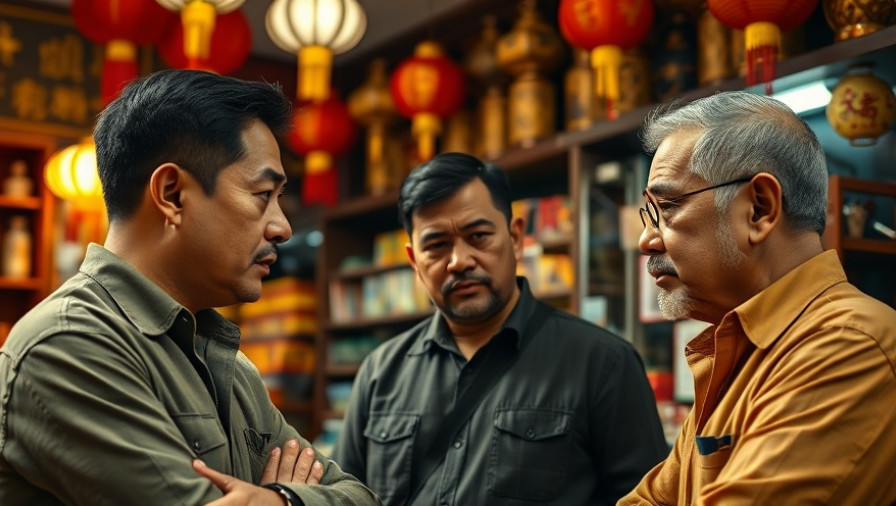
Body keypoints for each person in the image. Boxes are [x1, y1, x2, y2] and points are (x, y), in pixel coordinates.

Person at [0, 70, 379, 506]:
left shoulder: (231, 368)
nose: (283, 227)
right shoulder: (69, 345)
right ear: (172, 193)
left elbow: (362, 497)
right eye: (262, 195)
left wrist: (280, 500)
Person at [333, 152, 668, 506]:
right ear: (415, 261)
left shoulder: (603, 364)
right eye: (436, 245)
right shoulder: (380, 372)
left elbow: (649, 500)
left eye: (478, 236)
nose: (460, 261)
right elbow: (343, 495)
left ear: (516, 237)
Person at [619, 91, 896, 505]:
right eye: (650, 214)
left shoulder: (849, 344)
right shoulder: (740, 349)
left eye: (668, 206)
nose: (646, 239)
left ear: (759, 209)